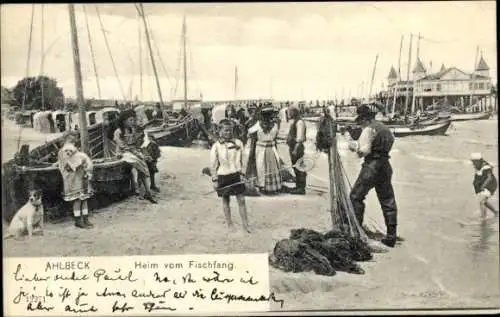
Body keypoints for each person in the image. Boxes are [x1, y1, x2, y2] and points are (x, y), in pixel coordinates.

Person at [348, 105, 398, 247]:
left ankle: (357, 232)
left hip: (372, 166)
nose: (360, 124)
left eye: (360, 121)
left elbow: (364, 151)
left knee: (355, 197)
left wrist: (354, 147)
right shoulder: (384, 128)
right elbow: (390, 142)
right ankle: (391, 236)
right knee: (387, 200)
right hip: (385, 165)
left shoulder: (368, 129)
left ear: (364, 118)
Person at [210, 119, 250, 233]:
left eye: (231, 130)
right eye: (226, 131)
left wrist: (243, 173)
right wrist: (215, 179)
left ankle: (245, 224)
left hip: (237, 174)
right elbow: (213, 164)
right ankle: (229, 223)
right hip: (223, 175)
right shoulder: (216, 146)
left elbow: (244, 159)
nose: (229, 133)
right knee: (225, 199)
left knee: (241, 200)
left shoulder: (238, 143)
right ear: (220, 131)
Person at [113, 110, 157, 204]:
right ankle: (145, 192)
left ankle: (148, 192)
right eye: (131, 120)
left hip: (133, 152)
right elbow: (123, 146)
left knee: (143, 161)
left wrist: (141, 153)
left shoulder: (132, 130)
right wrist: (137, 153)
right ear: (124, 121)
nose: (133, 122)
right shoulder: (118, 132)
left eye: (133, 120)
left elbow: (136, 145)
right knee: (138, 161)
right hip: (123, 153)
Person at [55, 134, 94, 229]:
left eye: (73, 142)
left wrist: (84, 164)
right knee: (77, 199)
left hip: (81, 176)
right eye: (70, 141)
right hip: (72, 178)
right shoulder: (63, 152)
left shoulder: (75, 151)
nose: (72, 144)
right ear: (64, 142)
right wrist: (79, 162)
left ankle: (85, 218)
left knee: (84, 198)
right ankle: (78, 220)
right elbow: (68, 166)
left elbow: (80, 159)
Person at [246, 107, 283, 195]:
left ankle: (264, 186)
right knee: (268, 166)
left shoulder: (259, 124)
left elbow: (249, 132)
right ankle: (270, 187)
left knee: (263, 166)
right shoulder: (274, 124)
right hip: (267, 148)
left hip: (263, 148)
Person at [470, 153, 498, 218]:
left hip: (490, 185)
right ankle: (495, 212)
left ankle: (483, 218)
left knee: (482, 202)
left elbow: (489, 178)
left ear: (478, 161)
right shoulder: (478, 166)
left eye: (474, 162)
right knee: (484, 202)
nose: (473, 163)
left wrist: (483, 186)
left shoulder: (486, 167)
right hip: (484, 184)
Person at [287, 106, 307, 195]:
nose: (288, 114)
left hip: (297, 147)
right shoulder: (295, 121)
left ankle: (301, 188)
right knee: (296, 167)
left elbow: (300, 138)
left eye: (289, 112)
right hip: (293, 147)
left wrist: (295, 149)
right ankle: (298, 185)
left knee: (299, 167)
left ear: (294, 112)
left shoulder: (299, 122)